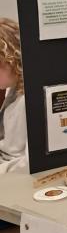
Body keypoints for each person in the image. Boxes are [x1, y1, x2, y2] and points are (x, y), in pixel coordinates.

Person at [0, 18, 28, 174]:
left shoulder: (28, 99)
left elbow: (26, 162)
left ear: (11, 59)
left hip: (12, 171)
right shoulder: (13, 87)